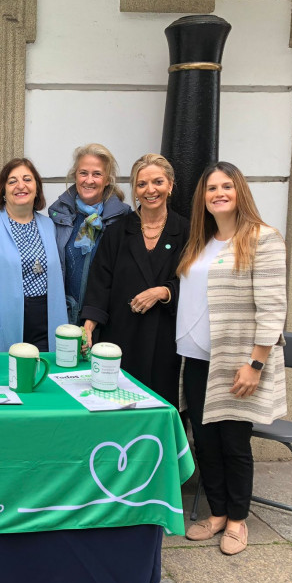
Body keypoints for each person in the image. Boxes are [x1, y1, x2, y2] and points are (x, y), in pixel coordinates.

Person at [177, 161, 287, 556]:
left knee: (234, 444)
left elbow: (273, 309)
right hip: (197, 357)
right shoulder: (201, 241)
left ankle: (239, 520)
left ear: (240, 191)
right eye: (211, 189)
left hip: (237, 360)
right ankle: (218, 512)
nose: (218, 194)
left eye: (226, 186)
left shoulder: (263, 238)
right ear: (202, 199)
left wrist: (256, 363)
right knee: (205, 442)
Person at [80, 154, 187, 405]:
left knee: (158, 408)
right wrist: (88, 326)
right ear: (135, 191)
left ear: (170, 185)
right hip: (120, 339)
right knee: (115, 408)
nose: (150, 190)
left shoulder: (187, 232)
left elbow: (196, 285)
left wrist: (164, 291)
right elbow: (99, 283)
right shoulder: (118, 232)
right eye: (142, 184)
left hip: (165, 340)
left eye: (158, 182)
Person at [0, 158, 66, 352]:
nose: (21, 185)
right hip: (3, 326)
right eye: (12, 181)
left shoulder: (49, 226)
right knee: (4, 379)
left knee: (44, 378)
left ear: (37, 187)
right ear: (3, 191)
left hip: (46, 325)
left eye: (27, 179)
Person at [47, 144, 131, 324]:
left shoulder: (123, 220)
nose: (89, 180)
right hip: (63, 317)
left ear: (107, 179)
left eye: (97, 174)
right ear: (75, 176)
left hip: (105, 319)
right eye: (83, 173)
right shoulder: (59, 216)